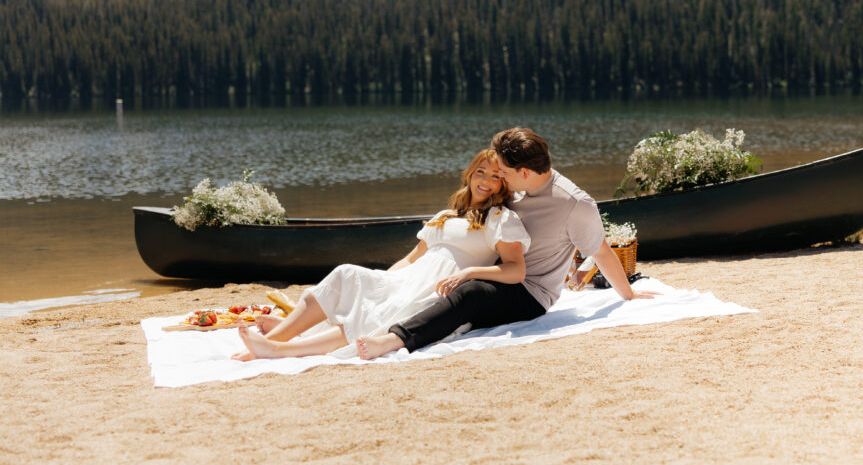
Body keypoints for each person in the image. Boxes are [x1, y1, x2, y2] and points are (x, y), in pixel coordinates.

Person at [356, 127, 659, 360]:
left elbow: (601, 251)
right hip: (492, 268)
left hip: (528, 291)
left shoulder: (574, 204)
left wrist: (628, 294)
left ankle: (393, 340)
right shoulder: (513, 189)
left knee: (470, 293)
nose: (498, 177)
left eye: (503, 172)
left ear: (524, 172)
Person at [232, 148, 529, 360]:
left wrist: (469, 273)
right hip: (409, 279)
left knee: (376, 311)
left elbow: (516, 270)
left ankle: (278, 349)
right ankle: (273, 338)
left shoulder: (500, 218)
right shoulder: (445, 215)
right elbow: (412, 258)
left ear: (503, 184)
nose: (486, 180)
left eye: (495, 176)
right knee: (347, 274)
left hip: (437, 289)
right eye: (481, 172)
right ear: (470, 174)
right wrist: (381, 280)